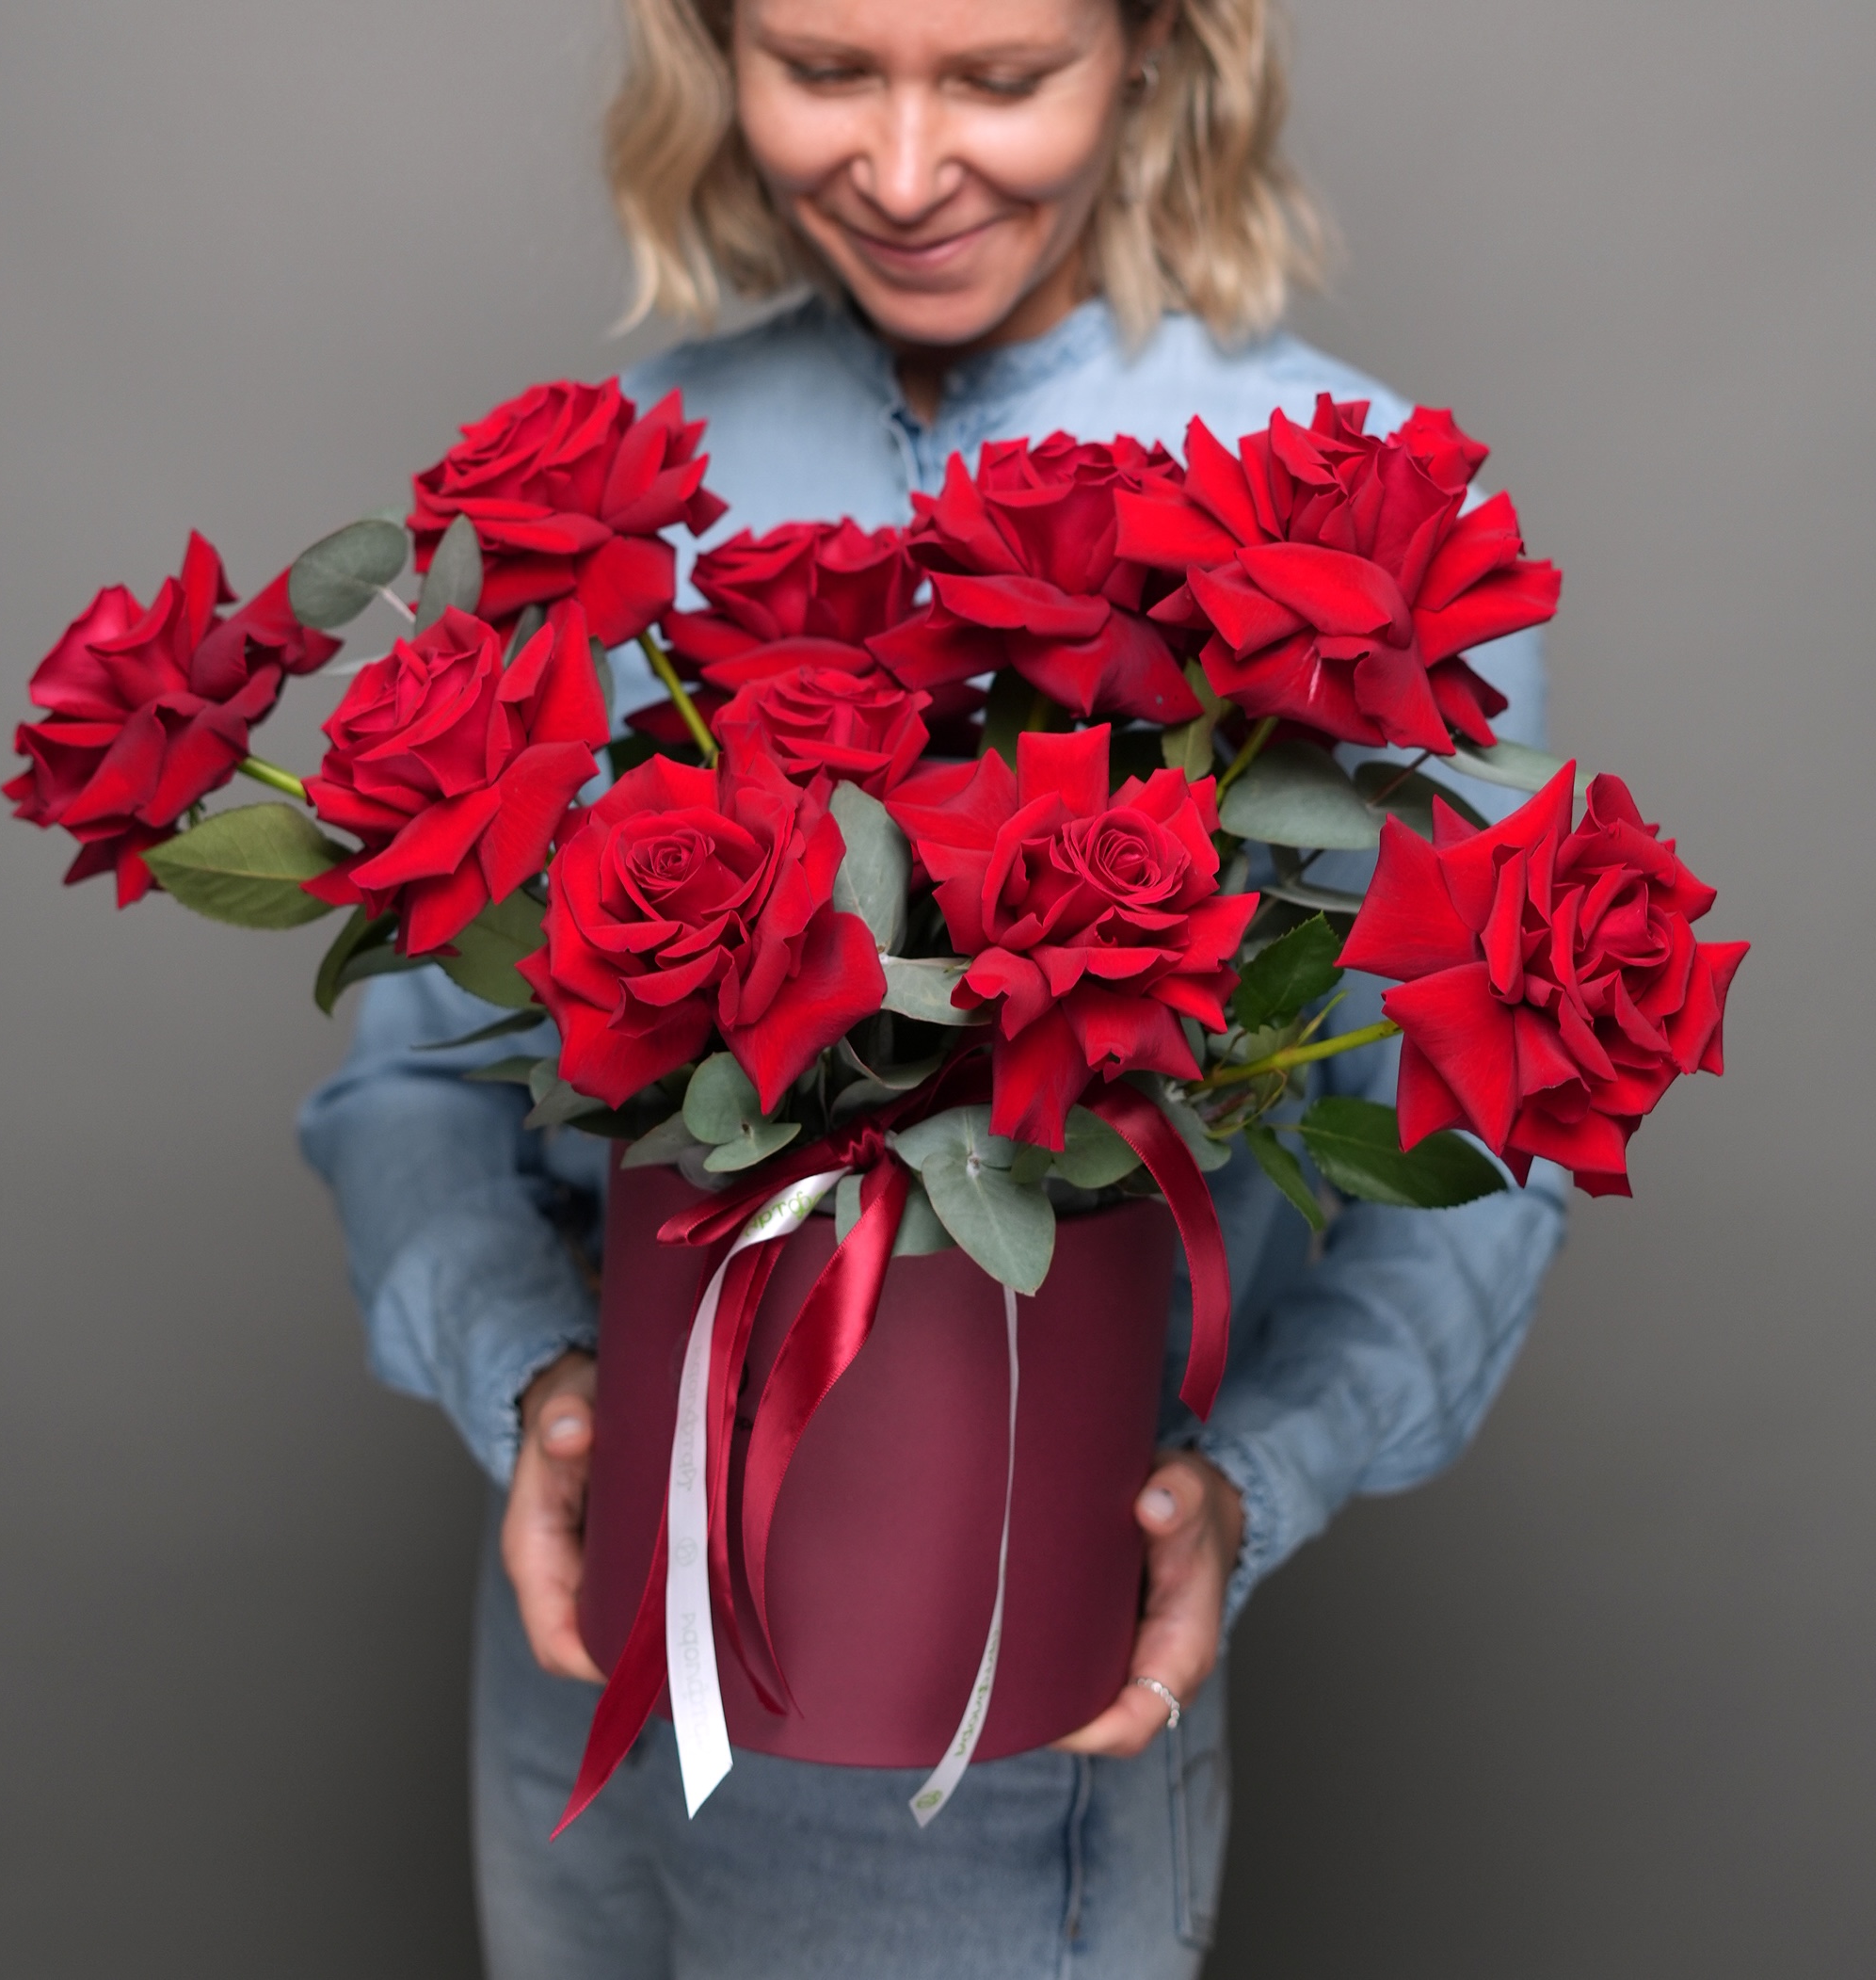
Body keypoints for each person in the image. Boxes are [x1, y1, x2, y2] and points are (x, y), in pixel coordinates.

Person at [299, 2, 1567, 1972]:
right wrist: (529, 1386)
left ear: (1152, 47)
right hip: (590, 1658)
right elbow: (414, 1078)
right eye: (824, 70)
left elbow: (1487, 1134)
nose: (900, 174)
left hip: (998, 1697)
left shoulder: (1371, 519)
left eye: (996, 77)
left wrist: (1245, 1487)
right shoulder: (618, 473)